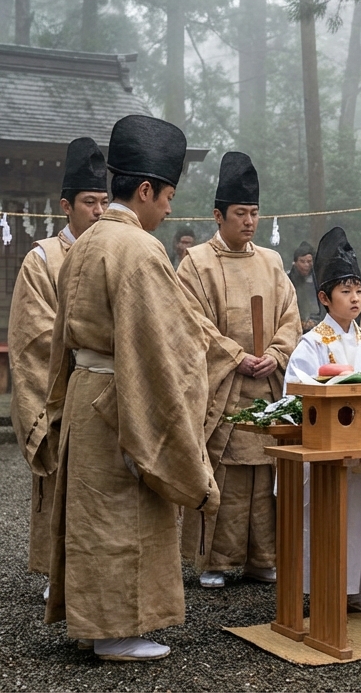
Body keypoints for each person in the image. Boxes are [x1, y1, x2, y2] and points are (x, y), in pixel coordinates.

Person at [37, 115, 236, 661]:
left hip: (86, 391)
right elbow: (161, 346)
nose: (170, 208)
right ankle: (117, 630)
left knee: (92, 515)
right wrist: (162, 417)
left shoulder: (86, 240)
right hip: (122, 396)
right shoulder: (138, 249)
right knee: (121, 516)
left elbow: (60, 342)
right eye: (168, 195)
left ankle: (94, 623)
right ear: (145, 190)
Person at [177, 152, 301, 588]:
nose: (249, 222)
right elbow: (191, 321)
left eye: (254, 213)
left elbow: (291, 315)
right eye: (240, 214)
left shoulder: (271, 261)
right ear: (218, 215)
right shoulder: (195, 264)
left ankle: (263, 557)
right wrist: (234, 355)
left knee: (265, 474)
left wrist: (277, 351)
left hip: (266, 383)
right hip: (224, 387)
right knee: (223, 473)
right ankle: (214, 561)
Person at [284, 227, 361, 614]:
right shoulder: (312, 343)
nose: (354, 298)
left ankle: (360, 587)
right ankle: (324, 586)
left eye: (358, 290)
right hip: (329, 446)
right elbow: (296, 387)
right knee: (327, 515)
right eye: (345, 291)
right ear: (324, 298)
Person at [8, 137, 108, 599]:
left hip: (106, 390)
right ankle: (58, 573)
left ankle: (98, 578)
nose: (99, 211)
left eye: (105, 201)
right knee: (62, 485)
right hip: (63, 391)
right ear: (66, 206)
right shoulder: (42, 258)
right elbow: (34, 335)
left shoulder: (115, 250)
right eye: (89, 202)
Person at [287, 241, 320, 330]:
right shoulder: (288, 281)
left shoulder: (318, 281)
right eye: (302, 261)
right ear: (295, 262)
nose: (306, 265)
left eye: (309, 261)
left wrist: (314, 321)